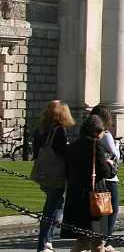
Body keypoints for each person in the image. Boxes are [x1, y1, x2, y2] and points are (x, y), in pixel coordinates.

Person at [60, 114, 115, 252]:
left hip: (76, 195)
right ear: (98, 131)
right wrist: (111, 164)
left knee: (92, 239)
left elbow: (67, 171)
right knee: (89, 240)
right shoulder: (96, 145)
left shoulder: (73, 146)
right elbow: (105, 172)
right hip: (93, 197)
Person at [33, 100, 74, 252]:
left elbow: (36, 152)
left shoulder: (39, 129)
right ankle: (43, 244)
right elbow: (63, 153)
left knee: (58, 203)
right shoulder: (59, 131)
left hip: (42, 172)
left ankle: (49, 240)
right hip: (55, 174)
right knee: (50, 209)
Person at [88, 105, 121, 249]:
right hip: (108, 176)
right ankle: (106, 241)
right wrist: (117, 145)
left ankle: (98, 239)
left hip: (95, 176)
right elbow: (115, 155)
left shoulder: (88, 133)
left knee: (99, 209)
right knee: (111, 209)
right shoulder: (106, 134)